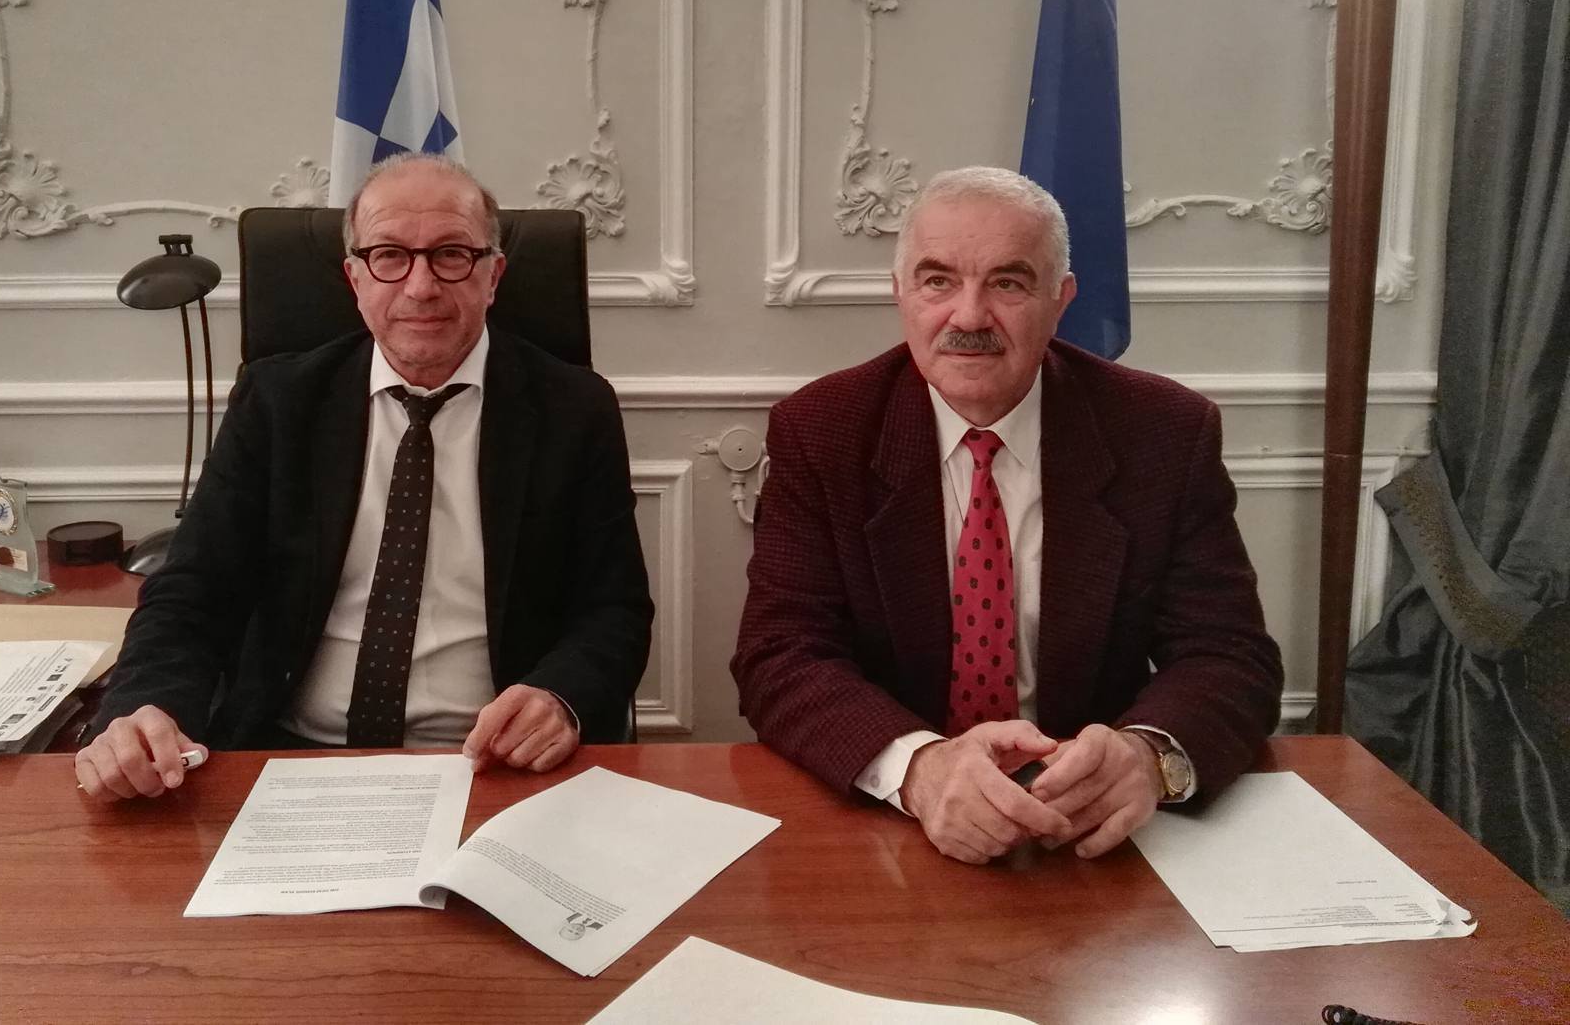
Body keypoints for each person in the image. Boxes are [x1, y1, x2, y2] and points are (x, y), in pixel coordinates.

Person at [732, 166, 1283, 863]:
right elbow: (781, 655)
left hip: (1088, 828)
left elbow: (1228, 654)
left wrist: (1148, 758)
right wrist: (918, 768)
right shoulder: (822, 431)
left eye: (1008, 283)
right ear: (900, 293)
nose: (968, 318)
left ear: (1061, 300)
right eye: (938, 281)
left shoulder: (1163, 433)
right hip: (893, 830)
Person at [77, 155, 653, 800]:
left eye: (452, 254)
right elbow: (194, 589)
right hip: (287, 756)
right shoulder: (279, 402)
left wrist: (561, 697)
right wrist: (146, 706)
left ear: (493, 275)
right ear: (354, 277)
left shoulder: (574, 409)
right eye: (389, 256)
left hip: (493, 764)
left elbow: (614, 609)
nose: (420, 287)